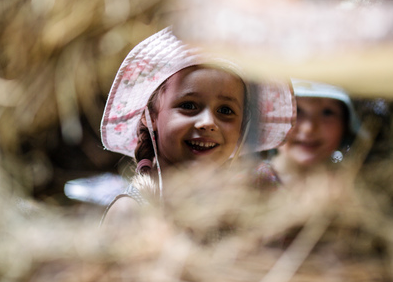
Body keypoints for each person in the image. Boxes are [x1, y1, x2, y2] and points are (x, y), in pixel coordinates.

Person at [99, 27, 296, 225]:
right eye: (188, 106)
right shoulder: (133, 212)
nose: (208, 123)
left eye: (226, 111)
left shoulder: (244, 214)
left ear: (242, 127)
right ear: (150, 115)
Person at [256, 78, 361, 188]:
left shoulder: (354, 185)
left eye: (327, 112)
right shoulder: (251, 185)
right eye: (296, 110)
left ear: (346, 124)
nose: (309, 128)